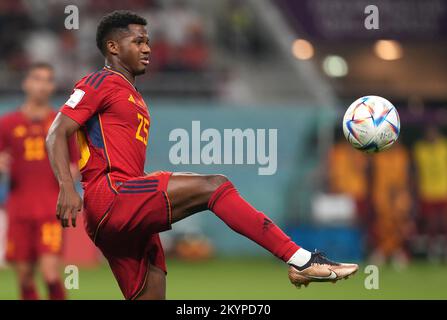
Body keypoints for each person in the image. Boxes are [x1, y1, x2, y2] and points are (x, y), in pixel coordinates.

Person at [45, 10, 358, 300]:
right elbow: (57, 131)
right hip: (112, 197)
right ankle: (301, 259)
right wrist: (66, 186)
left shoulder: (133, 95)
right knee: (214, 186)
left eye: (148, 41)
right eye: (138, 41)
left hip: (126, 213)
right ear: (113, 47)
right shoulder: (100, 82)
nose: (147, 49)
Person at [0, 63, 78, 300]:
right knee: (24, 277)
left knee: (50, 274)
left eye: (47, 80)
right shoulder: (7, 124)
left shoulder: (62, 123)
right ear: (26, 83)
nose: (42, 85)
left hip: (50, 210)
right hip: (19, 210)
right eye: (37, 78)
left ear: (52, 86)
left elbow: (75, 166)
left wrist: (67, 183)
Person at [414, 126, 447, 262]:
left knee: (443, 223)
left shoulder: (444, 147)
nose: (431, 135)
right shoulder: (420, 149)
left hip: (443, 191)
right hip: (426, 192)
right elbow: (416, 171)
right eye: (428, 132)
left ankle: (444, 250)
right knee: (430, 223)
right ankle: (432, 251)